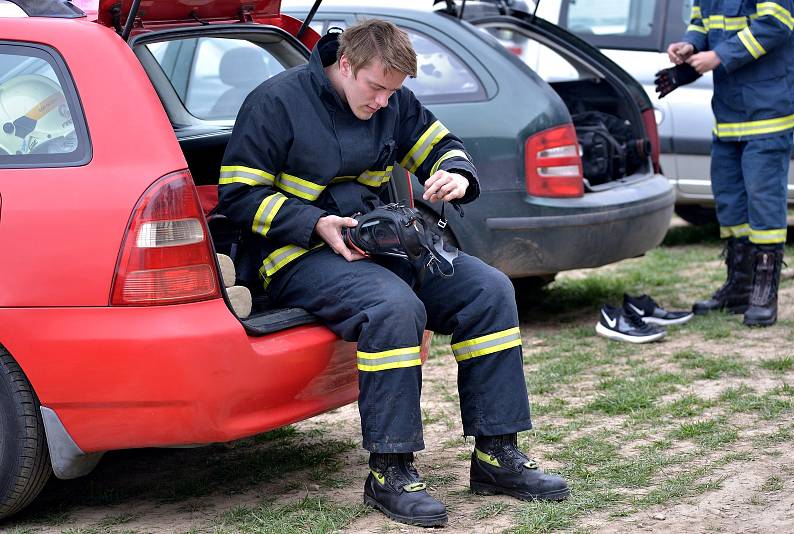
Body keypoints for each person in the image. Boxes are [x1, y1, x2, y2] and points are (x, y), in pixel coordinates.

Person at [217, 19, 568, 527]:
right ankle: (391, 472)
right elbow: (239, 195)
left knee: (489, 291)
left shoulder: (393, 101)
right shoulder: (276, 102)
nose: (384, 101)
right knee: (394, 307)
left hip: (381, 244)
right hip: (296, 255)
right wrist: (315, 223)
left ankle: (497, 456)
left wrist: (457, 176)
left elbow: (442, 146)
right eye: (376, 88)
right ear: (345, 64)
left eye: (393, 91)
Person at [665, 0, 794, 326]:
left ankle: (764, 293)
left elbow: (776, 23)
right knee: (729, 200)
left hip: (769, 109)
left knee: (763, 200)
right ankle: (740, 286)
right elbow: (700, 21)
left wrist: (720, 55)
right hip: (729, 111)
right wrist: (690, 44)